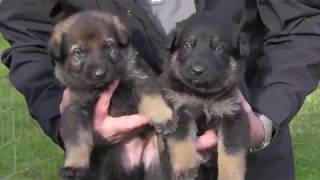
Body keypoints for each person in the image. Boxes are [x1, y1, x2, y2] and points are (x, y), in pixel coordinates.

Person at [0, 0, 319, 179]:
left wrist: (264, 118)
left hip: (248, 158)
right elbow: (31, 37)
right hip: (116, 165)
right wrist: (70, 120)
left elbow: (302, 21)